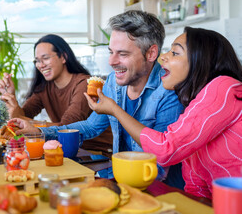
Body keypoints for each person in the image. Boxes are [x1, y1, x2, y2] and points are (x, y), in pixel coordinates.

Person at [11, 11, 185, 189]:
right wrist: (39, 132)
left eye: (122, 54)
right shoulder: (113, 82)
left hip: (158, 188)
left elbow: (162, 158)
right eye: (111, 52)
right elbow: (91, 126)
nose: (111, 61)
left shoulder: (170, 90)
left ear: (151, 53)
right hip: (121, 179)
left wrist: (114, 110)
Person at [85, 27, 242, 199]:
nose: (163, 57)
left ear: (201, 60)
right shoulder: (194, 105)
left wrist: (115, 110)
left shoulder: (224, 87)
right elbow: (195, 185)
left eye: (175, 53)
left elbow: (166, 149)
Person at [0, 34, 92, 126]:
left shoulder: (84, 84)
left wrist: (20, 118)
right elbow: (24, 115)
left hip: (92, 142)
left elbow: (67, 128)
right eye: (37, 61)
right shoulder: (45, 88)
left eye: (45, 58)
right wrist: (10, 95)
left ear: (63, 57)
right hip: (63, 141)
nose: (41, 65)